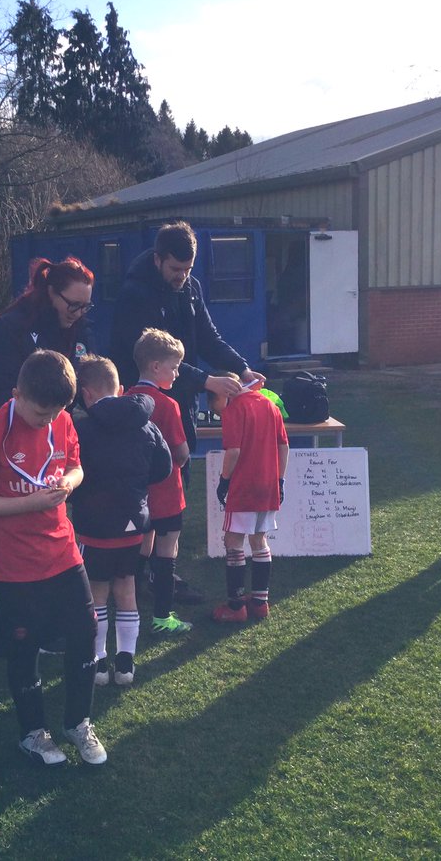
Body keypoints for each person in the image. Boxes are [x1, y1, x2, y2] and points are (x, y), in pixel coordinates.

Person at [0, 349, 106, 766]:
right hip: (15, 566)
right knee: (24, 649)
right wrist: (31, 503)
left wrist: (68, 483)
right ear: (17, 394)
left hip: (62, 551)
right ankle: (33, 733)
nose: (47, 421)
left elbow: (77, 467)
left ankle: (78, 723)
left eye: (55, 413)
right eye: (40, 413)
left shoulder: (61, 420)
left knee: (85, 634)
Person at [109, 221, 265, 603]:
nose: (182, 277)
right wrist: (207, 381)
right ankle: (136, 572)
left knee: (178, 483)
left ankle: (159, 573)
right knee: (143, 492)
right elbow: (158, 361)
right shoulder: (135, 294)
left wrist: (242, 368)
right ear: (159, 260)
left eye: (189, 269)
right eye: (176, 269)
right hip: (140, 405)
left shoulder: (191, 288)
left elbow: (209, 338)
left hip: (178, 402)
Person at [71, 355, 173, 686]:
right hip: (134, 524)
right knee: (126, 587)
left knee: (97, 593)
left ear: (85, 393)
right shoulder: (147, 424)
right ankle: (126, 661)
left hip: (94, 526)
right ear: (122, 389)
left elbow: (70, 475)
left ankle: (99, 661)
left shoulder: (80, 429)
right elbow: (164, 468)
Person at [127, 328, 194, 634]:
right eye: (174, 366)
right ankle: (162, 617)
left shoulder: (123, 399)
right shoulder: (168, 406)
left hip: (136, 494)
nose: (178, 373)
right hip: (166, 494)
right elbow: (180, 452)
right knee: (167, 551)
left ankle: (127, 607)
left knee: (140, 545)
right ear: (156, 367)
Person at [209, 372, 290, 623]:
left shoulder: (234, 410)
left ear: (225, 392)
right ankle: (260, 603)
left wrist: (224, 480)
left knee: (233, 540)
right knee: (259, 539)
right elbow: (283, 446)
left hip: (244, 485)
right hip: (268, 485)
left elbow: (233, 451)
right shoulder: (269, 404)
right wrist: (280, 480)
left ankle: (236, 606)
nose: (216, 411)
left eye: (214, 405)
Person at [0, 256, 94, 427]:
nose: (78, 313)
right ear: (51, 292)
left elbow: (89, 383)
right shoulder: (11, 328)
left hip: (55, 432)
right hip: (10, 430)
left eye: (85, 306)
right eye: (73, 304)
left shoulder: (80, 330)